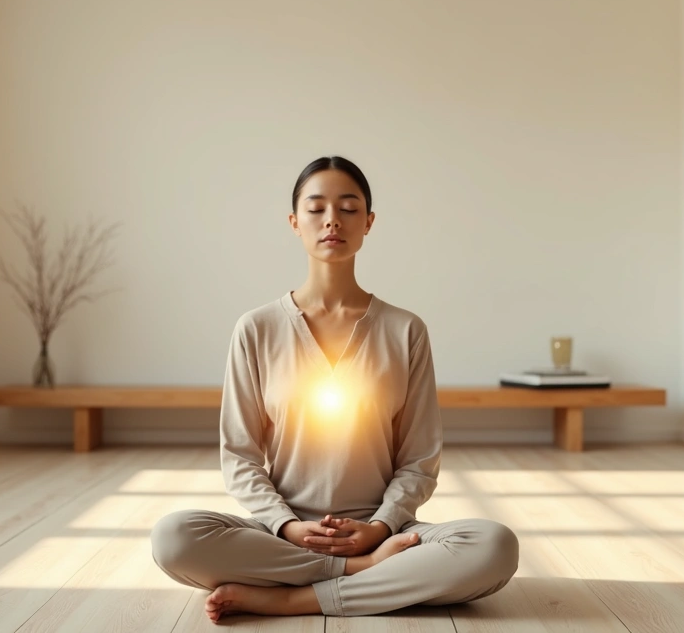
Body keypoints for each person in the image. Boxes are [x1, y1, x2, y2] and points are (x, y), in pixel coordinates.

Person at [151, 156, 518, 622]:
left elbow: (420, 459)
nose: (332, 220)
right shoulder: (256, 329)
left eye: (348, 208)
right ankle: (363, 575)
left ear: (368, 222)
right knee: (173, 537)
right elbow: (240, 456)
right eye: (316, 208)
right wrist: (287, 526)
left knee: (495, 546)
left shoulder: (406, 330)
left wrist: (379, 528)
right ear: (294, 222)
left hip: (387, 534)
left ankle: (293, 598)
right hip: (280, 533)